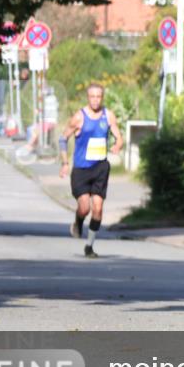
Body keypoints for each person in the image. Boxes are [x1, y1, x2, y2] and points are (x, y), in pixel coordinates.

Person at [59, 83, 123, 258]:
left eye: (99, 96)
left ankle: (89, 246)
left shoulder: (108, 116)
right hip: (81, 170)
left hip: (100, 168)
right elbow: (63, 138)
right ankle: (78, 222)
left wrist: (117, 145)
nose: (96, 100)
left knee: (98, 208)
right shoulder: (79, 117)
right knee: (85, 208)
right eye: (92, 96)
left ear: (102, 97)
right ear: (88, 98)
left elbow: (119, 137)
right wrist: (65, 163)